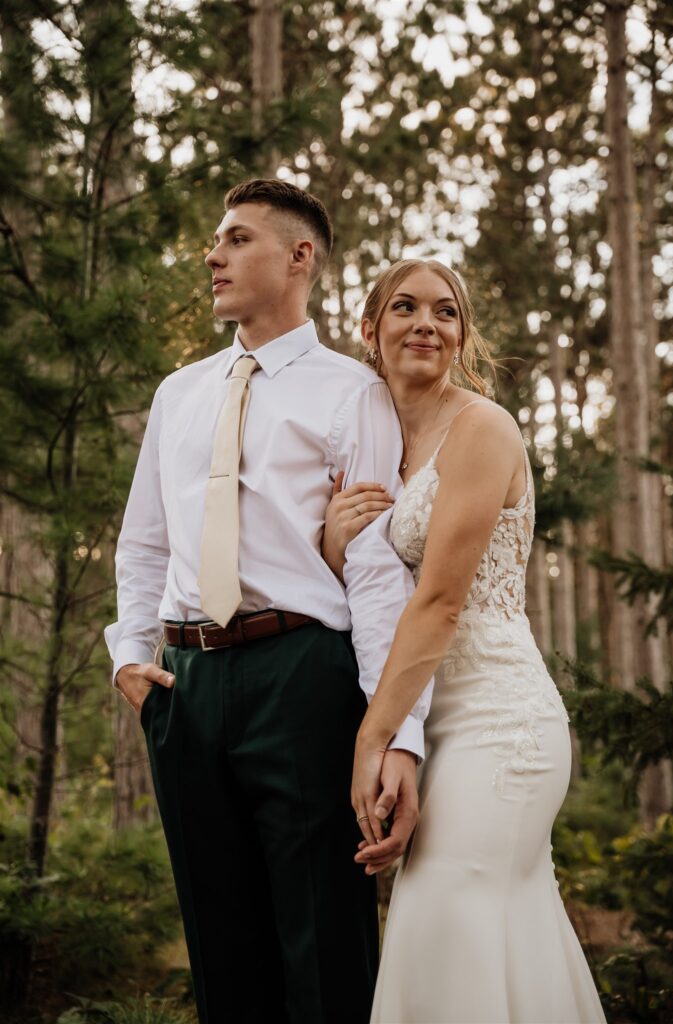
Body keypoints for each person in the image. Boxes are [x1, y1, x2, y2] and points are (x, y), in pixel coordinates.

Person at [104, 180, 424, 1024]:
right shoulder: (179, 393)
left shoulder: (353, 393)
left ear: (298, 256)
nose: (212, 256)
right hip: (183, 686)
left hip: (302, 677)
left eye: (236, 239)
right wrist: (131, 657)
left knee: (324, 940)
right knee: (221, 950)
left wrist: (397, 736)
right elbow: (142, 544)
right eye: (216, 241)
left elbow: (377, 572)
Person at [324, 258, 607, 1023]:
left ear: (461, 335)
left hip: (496, 719)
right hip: (427, 720)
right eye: (405, 308)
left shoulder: (482, 428)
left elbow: (442, 601)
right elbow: (370, 594)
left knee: (443, 918)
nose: (425, 323)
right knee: (500, 935)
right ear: (369, 329)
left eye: (444, 312)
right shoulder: (373, 445)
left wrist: (372, 739)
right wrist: (332, 542)